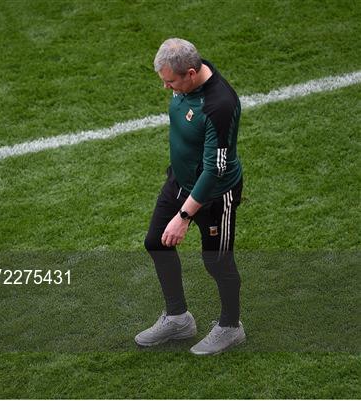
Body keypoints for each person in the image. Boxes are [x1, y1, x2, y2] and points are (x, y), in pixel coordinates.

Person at [135, 38, 245, 355]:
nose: (167, 88)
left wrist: (183, 218)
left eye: (171, 82)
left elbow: (216, 171)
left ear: (191, 73)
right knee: (156, 241)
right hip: (179, 181)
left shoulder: (220, 106)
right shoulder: (187, 76)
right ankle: (178, 318)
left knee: (217, 262)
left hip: (214, 195)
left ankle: (230, 326)